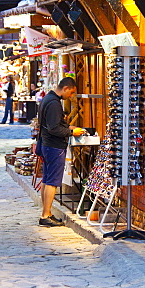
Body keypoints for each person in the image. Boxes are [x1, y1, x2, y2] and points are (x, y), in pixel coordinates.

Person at [36, 76, 85, 227]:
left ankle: (47, 213)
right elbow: (54, 128)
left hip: (46, 144)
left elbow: (53, 124)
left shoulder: (48, 99)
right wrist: (71, 132)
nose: (70, 96)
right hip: (54, 146)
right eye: (71, 93)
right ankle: (45, 215)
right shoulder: (54, 104)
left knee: (47, 179)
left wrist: (70, 128)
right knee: (52, 182)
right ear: (65, 88)